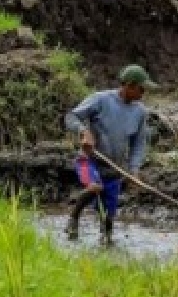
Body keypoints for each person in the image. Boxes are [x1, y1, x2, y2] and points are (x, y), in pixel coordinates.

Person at [63, 64, 155, 246]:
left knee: (109, 215)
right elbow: (71, 117)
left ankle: (106, 239)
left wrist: (134, 170)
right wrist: (83, 131)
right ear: (129, 85)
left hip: (114, 168)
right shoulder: (101, 100)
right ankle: (73, 219)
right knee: (95, 186)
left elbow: (138, 144)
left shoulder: (140, 112)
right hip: (89, 161)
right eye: (141, 89)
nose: (143, 93)